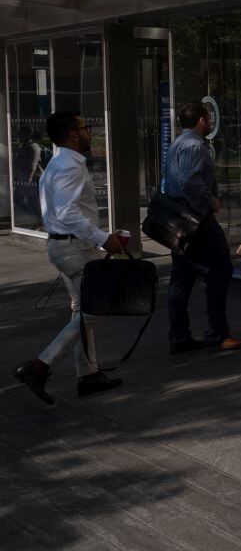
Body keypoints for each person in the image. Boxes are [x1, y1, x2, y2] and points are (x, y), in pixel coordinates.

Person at [11, 111, 126, 404]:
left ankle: (88, 375)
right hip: (74, 249)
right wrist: (104, 240)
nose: (90, 132)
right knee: (94, 309)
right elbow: (67, 212)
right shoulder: (69, 167)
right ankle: (40, 366)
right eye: (86, 127)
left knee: (81, 312)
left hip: (65, 246)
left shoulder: (59, 163)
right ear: (73, 134)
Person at [163, 102, 241, 353]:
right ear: (202, 120)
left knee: (181, 279)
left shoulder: (177, 144)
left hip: (181, 220)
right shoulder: (193, 145)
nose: (210, 122)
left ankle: (179, 337)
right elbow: (189, 181)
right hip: (197, 221)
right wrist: (210, 201)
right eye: (208, 118)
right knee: (220, 271)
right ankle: (217, 334)